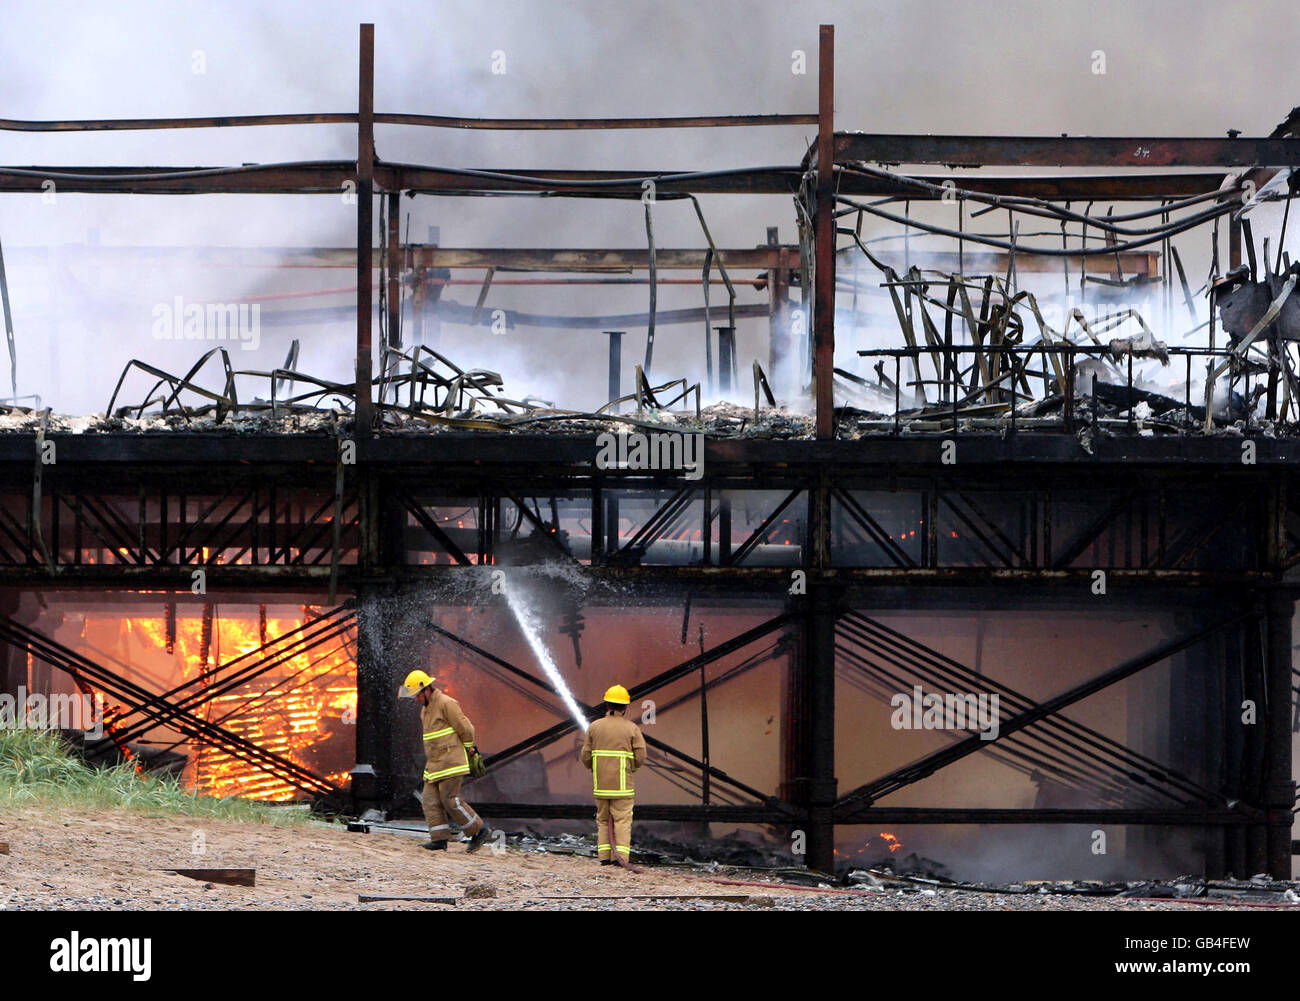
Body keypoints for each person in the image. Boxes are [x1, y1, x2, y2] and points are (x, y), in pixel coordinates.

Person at [398, 669, 491, 853]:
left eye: (417, 695)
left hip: (451, 762)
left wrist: (469, 747)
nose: (415, 699)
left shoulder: (447, 703)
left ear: (426, 690)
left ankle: (479, 830)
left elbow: (466, 728)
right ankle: (439, 840)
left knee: (450, 800)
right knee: (429, 799)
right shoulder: (425, 711)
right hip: (434, 764)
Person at [579, 684, 647, 866]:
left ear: (607, 705)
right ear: (624, 708)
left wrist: (595, 768)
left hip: (601, 786)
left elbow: (585, 756)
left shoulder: (594, 727)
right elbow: (641, 756)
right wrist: (632, 768)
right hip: (623, 787)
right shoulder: (632, 729)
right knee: (622, 821)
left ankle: (604, 858)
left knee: (602, 821)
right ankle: (621, 859)